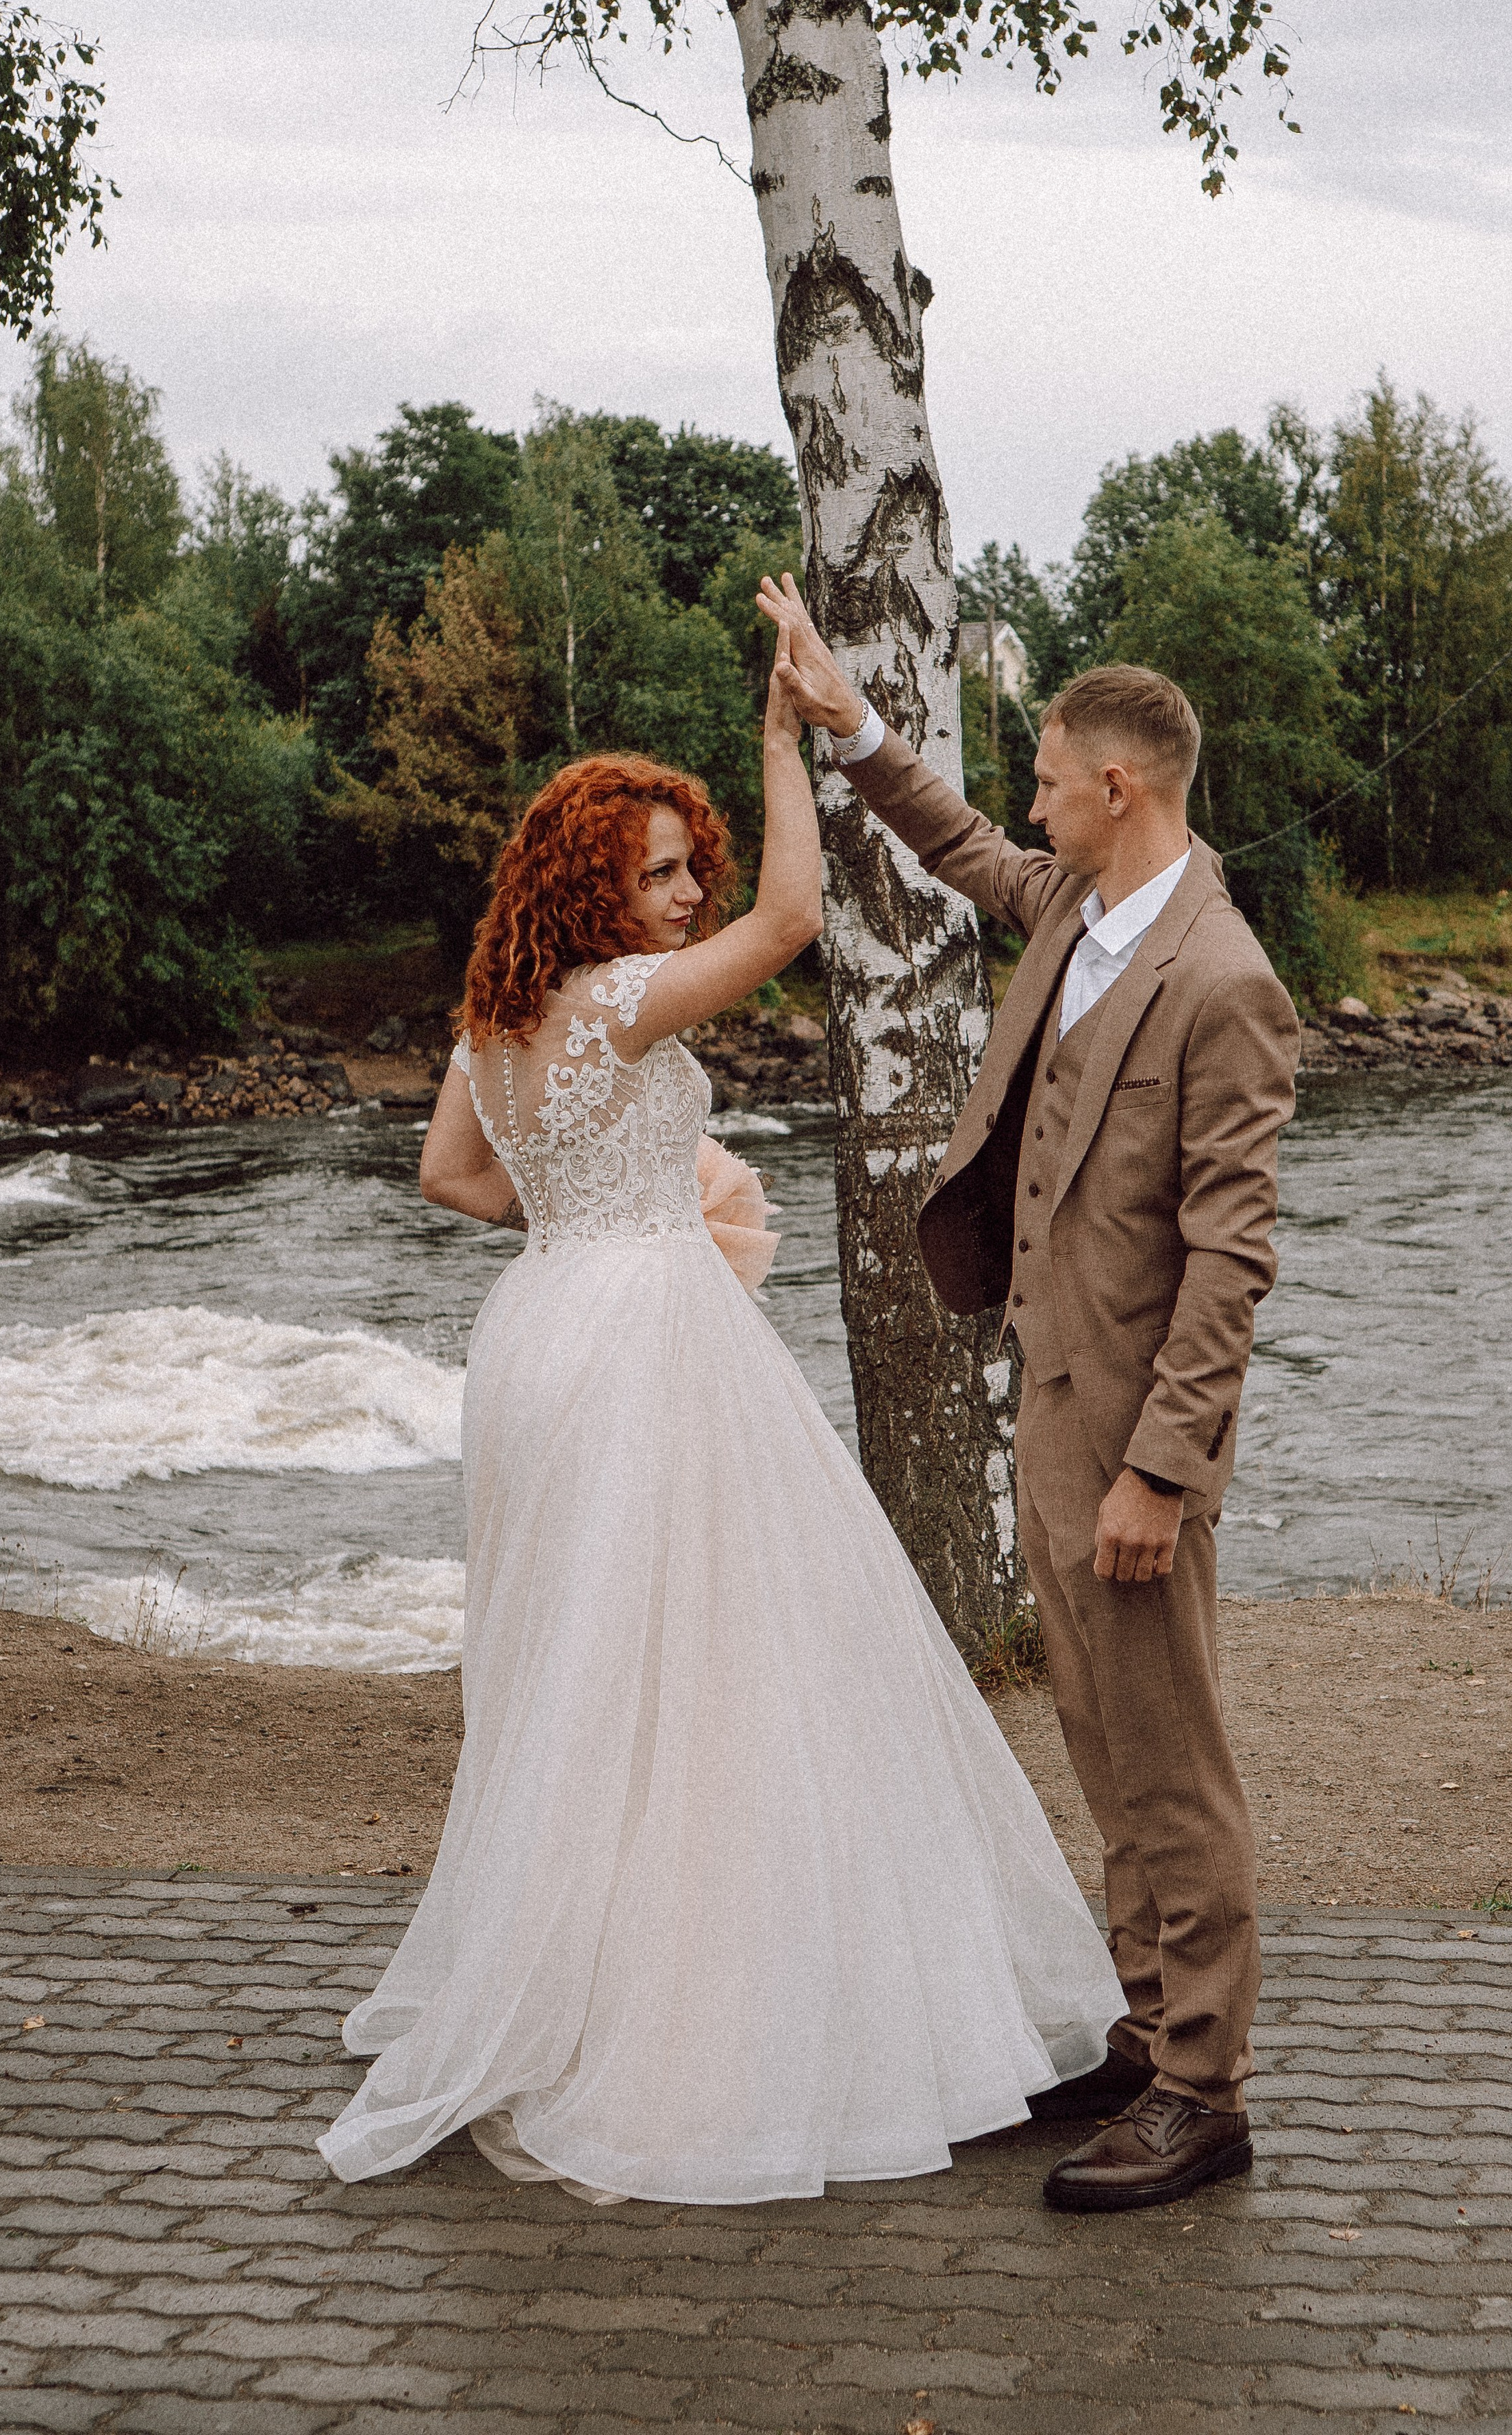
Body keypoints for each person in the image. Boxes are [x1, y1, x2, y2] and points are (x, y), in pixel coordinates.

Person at [316, 656, 1124, 2206]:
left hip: (546, 1328)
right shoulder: (620, 998)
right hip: (644, 1340)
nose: (691, 895)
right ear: (595, 894)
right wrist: (778, 743)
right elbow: (796, 926)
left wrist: (593, 1214)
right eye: (665, 873)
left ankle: (570, 1963)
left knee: (581, 1659)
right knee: (705, 1655)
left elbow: (454, 1184)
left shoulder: (498, 1012)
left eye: (690, 866)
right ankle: (686, 2013)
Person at [761, 573, 1299, 2215]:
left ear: (1117, 789)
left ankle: (1203, 2091)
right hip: (1047, 1405)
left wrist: (1159, 1470)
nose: (1033, 802)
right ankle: (1144, 2032)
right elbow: (963, 849)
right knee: (1098, 1738)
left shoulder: (1221, 979)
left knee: (1172, 1760)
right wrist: (848, 726)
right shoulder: (1077, 905)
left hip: (1131, 1443)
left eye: (1052, 777)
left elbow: (1229, 1260)